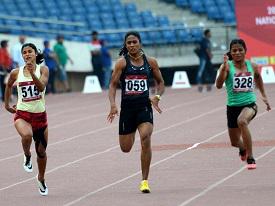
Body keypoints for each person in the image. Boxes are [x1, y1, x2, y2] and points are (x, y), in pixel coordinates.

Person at [107, 31, 165, 193]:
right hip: (127, 110)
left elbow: (161, 83)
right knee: (125, 148)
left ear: (140, 43)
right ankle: (131, 131)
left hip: (144, 108)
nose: (132, 45)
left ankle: (144, 181)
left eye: (134, 42)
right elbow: (112, 85)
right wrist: (112, 104)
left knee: (145, 137)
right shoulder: (121, 64)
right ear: (125, 45)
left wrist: (157, 96)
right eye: (129, 43)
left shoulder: (151, 62)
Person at [216, 39, 271, 170]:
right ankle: (242, 149)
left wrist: (263, 95)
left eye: (240, 50)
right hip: (232, 107)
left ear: (245, 51)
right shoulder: (227, 66)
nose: (238, 53)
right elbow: (218, 85)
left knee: (242, 121)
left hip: (250, 104)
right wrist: (223, 69)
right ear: (231, 52)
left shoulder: (252, 65)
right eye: (234, 50)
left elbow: (258, 77)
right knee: (234, 142)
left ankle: (250, 157)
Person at [4, 43, 49, 195]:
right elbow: (9, 85)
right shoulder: (16, 73)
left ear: (36, 54)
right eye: (24, 52)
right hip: (22, 114)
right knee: (27, 135)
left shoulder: (43, 69)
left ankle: (41, 178)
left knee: (42, 152)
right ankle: (27, 155)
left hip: (40, 116)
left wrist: (33, 73)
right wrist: (6, 104)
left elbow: (41, 87)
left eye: (30, 52)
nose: (27, 54)